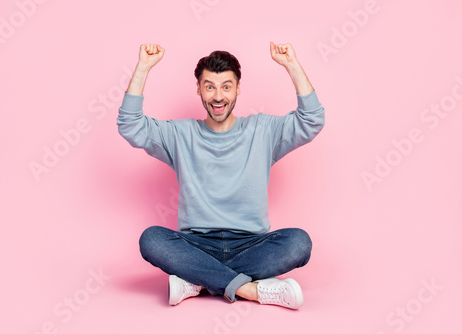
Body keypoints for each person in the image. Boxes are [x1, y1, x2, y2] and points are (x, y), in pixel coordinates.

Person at [117, 42, 325, 309]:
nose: (218, 96)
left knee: (299, 243)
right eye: (210, 86)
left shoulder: (263, 130)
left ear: (238, 88)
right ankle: (251, 290)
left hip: (251, 244)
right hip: (196, 244)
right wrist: (143, 67)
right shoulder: (179, 135)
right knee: (151, 239)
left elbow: (312, 120)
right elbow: (130, 124)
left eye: (226, 86)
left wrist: (291, 64)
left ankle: (198, 280)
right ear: (199, 89)